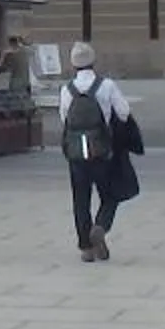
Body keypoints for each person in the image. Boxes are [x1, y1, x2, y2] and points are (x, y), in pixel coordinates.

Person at [57, 40, 138, 261]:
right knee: (111, 194)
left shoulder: (66, 90)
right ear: (93, 61)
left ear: (73, 64)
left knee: (80, 199)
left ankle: (86, 247)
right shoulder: (106, 85)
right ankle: (101, 226)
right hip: (102, 150)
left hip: (76, 153)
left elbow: (64, 119)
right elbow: (123, 112)